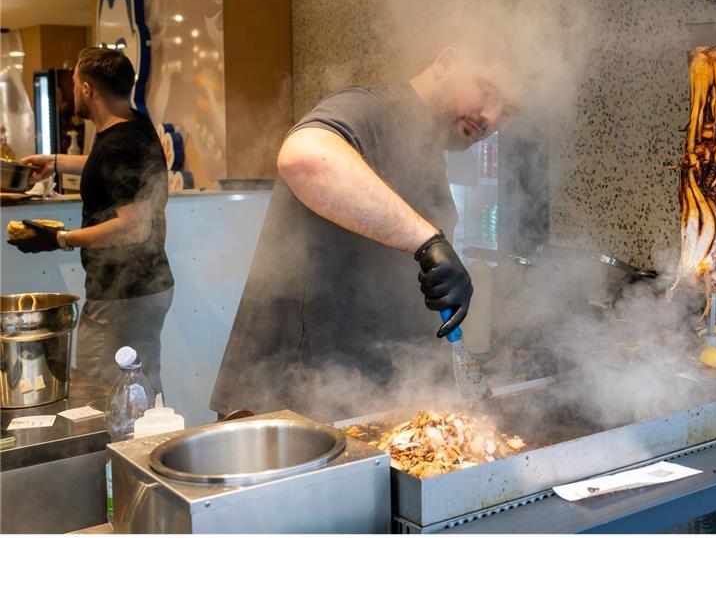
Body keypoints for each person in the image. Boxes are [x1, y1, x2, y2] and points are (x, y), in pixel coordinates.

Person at [208, 42, 521, 419]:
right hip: (288, 404)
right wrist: (428, 242)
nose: (491, 117)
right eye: (487, 90)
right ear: (446, 61)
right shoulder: (373, 109)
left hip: (354, 402)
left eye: (508, 112)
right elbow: (304, 157)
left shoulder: (429, 155)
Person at [9, 46, 174, 392]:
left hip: (120, 297)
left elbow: (134, 227)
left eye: (74, 84)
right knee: (140, 386)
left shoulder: (117, 145)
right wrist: (56, 162)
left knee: (101, 393)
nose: (72, 92)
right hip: (147, 287)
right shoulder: (134, 125)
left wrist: (59, 239)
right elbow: (107, 164)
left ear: (87, 89)